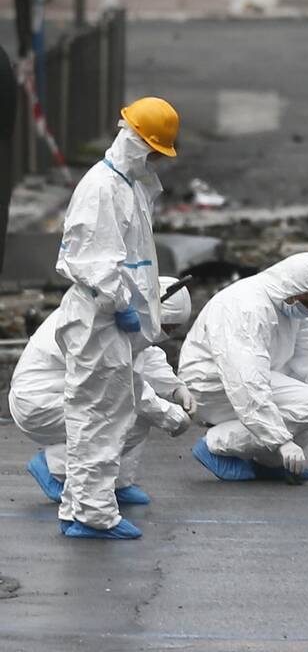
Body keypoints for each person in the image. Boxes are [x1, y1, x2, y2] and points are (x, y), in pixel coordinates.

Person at [53, 97, 180, 540]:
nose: (152, 159)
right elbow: (92, 259)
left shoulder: (124, 185)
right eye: (152, 149)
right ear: (138, 141)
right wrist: (119, 302)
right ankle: (94, 515)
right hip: (100, 319)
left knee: (101, 414)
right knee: (101, 417)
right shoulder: (103, 188)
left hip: (106, 320)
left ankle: (78, 506)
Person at [9, 277, 195, 506]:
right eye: (168, 328)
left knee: (132, 417)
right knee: (123, 415)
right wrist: (172, 417)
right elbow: (128, 386)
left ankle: (117, 484)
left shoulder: (125, 314)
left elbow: (144, 354)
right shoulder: (104, 324)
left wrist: (176, 388)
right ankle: (54, 466)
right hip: (39, 402)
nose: (167, 334)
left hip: (54, 393)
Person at [179, 253, 308, 482]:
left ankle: (270, 462)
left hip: (246, 377)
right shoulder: (246, 307)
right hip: (209, 384)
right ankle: (215, 445)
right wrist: (281, 441)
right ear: (293, 291)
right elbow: (245, 380)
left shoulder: (290, 302)